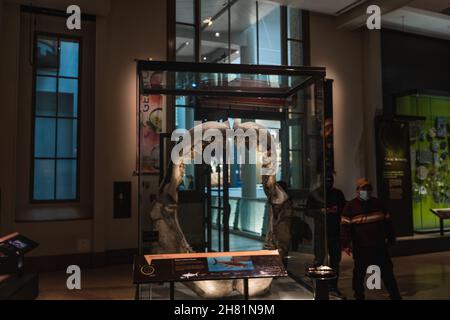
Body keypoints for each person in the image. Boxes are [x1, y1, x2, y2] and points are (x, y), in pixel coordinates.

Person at [341, 178, 402, 300]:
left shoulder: (378, 204)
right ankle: (359, 296)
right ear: (357, 190)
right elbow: (345, 228)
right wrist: (346, 244)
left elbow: (388, 223)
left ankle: (395, 296)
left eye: (369, 189)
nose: (366, 191)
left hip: (379, 246)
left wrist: (391, 238)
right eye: (363, 189)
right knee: (359, 273)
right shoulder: (350, 207)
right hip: (361, 248)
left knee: (387, 273)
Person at [306, 173, 346, 297]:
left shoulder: (337, 193)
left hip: (334, 231)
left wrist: (335, 210)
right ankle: (319, 287)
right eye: (326, 180)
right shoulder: (315, 194)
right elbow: (308, 211)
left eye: (330, 180)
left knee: (335, 261)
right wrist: (320, 212)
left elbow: (344, 209)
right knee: (319, 260)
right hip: (321, 232)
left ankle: (333, 286)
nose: (329, 182)